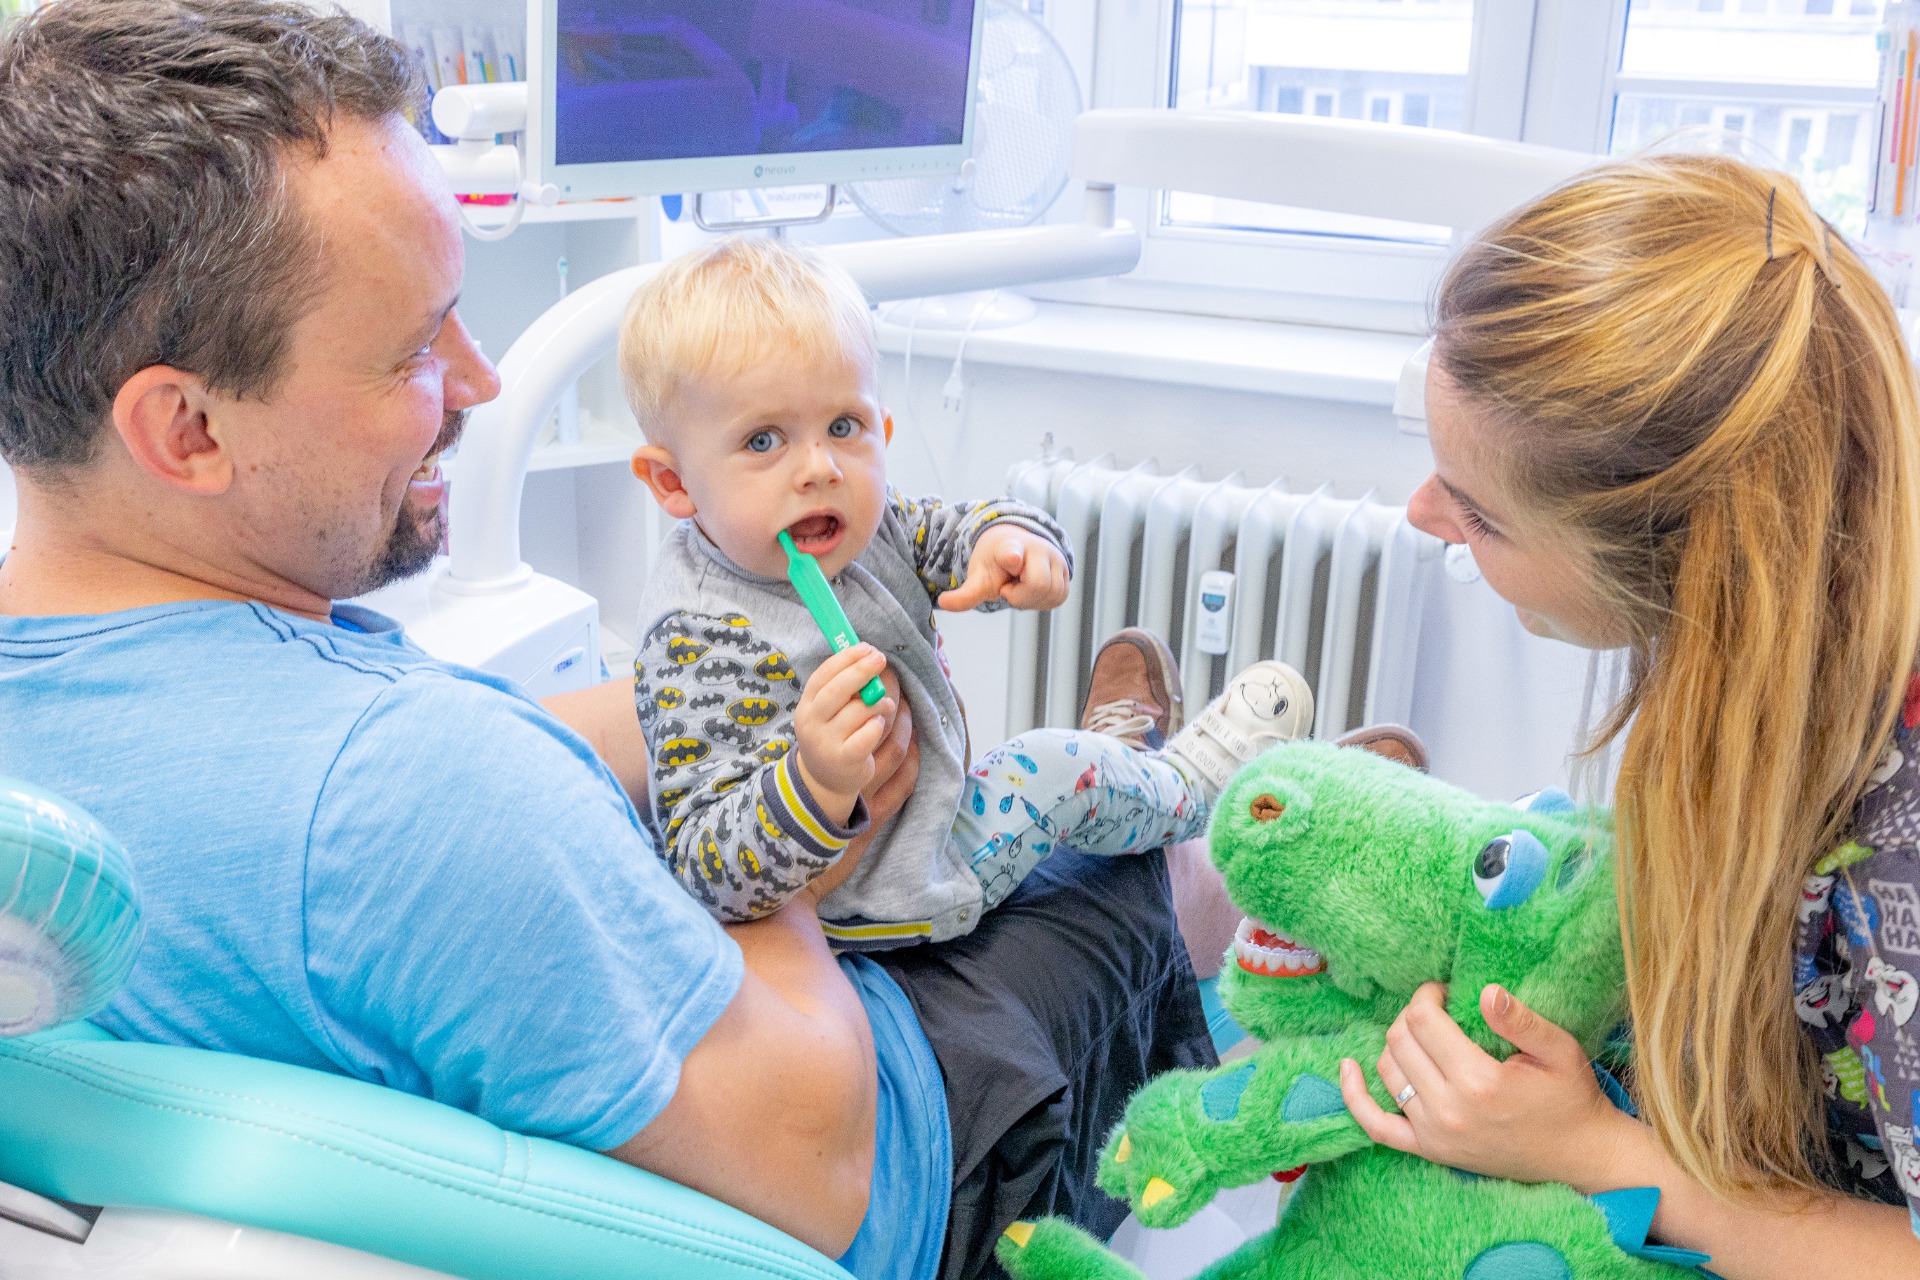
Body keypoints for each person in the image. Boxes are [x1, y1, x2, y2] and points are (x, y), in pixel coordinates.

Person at [0, 4, 1215, 1278]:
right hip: (906, 1153)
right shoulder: (412, 790)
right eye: (414, 350)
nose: (478, 381)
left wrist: (699, 704)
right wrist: (801, 835)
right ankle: (1211, 824)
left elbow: (454, 754)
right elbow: (823, 1164)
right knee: (1118, 868)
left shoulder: (102, 696)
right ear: (187, 430)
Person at [1334, 153, 1920, 1275]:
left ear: (1692, 565)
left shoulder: (1898, 863)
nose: (1422, 514)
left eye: (1481, 515)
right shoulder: (1798, 639)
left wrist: (1595, 1150)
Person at [616, 236, 1313, 946]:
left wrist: (1012, 544)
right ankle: (1192, 789)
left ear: (881, 430)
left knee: (1059, 768)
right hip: (882, 894)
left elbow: (950, 532)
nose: (820, 468)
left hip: (925, 816)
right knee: (1054, 769)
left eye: (844, 427)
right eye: (764, 441)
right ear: (673, 482)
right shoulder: (698, 636)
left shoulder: (857, 523)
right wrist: (816, 781)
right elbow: (703, 869)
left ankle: (1136, 778)